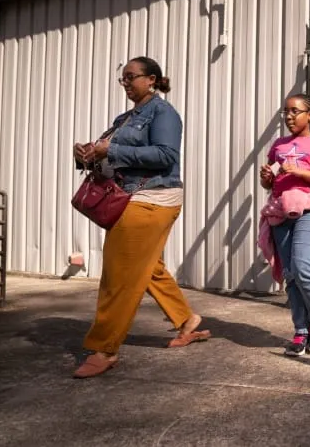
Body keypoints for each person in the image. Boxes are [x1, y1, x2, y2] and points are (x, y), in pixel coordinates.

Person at [71, 56, 210, 379]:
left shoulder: (163, 113)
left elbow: (166, 156)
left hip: (154, 198)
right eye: (123, 78)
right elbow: (111, 155)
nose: (126, 83)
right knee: (147, 268)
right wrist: (88, 154)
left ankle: (104, 348)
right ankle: (186, 320)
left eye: (131, 77)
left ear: (151, 79)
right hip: (133, 196)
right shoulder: (125, 117)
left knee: (118, 274)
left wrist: (112, 151)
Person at [258, 93, 310, 357]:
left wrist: (299, 172)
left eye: (295, 111)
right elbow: (272, 183)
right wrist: (266, 179)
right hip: (281, 211)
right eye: (286, 111)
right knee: (291, 274)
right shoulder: (278, 145)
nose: (289, 116)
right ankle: (301, 329)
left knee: (304, 267)